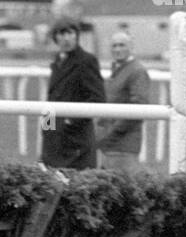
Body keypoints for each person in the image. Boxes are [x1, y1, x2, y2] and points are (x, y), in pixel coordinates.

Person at [41, 18, 106, 170]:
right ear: (55, 38)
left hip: (76, 141)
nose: (66, 39)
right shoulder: (58, 61)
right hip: (54, 138)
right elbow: (53, 97)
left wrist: (70, 121)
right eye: (61, 34)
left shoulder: (87, 61)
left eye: (69, 33)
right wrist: (46, 129)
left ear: (76, 35)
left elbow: (98, 98)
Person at [97, 31, 152, 172]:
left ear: (131, 47)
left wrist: (111, 133)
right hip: (110, 145)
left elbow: (138, 107)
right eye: (114, 46)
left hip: (123, 146)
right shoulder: (119, 69)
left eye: (121, 45)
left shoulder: (136, 71)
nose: (117, 49)